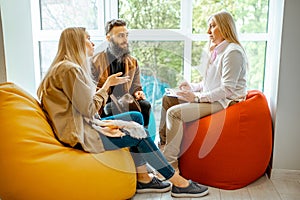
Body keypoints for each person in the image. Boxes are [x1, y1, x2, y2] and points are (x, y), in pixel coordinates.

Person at [37, 27, 209, 198]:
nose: (92, 43)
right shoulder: (70, 70)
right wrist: (106, 87)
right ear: (77, 43)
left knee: (136, 117)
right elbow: (89, 110)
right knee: (139, 134)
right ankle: (179, 183)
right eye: (88, 39)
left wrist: (116, 88)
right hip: (81, 134)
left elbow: (84, 107)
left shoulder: (64, 67)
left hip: (82, 125)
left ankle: (143, 178)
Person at [158, 11, 248, 173]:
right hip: (213, 97)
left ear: (225, 28)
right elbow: (209, 84)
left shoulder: (233, 52)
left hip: (224, 102)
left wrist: (197, 98)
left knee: (174, 113)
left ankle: (171, 167)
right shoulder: (217, 51)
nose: (208, 31)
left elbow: (227, 89)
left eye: (213, 26)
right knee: (168, 99)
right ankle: (164, 147)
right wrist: (191, 87)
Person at [91, 19, 151, 127]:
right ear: (108, 38)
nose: (125, 40)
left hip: (126, 102)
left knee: (145, 105)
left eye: (126, 35)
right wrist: (108, 84)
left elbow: (136, 88)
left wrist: (138, 93)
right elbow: (92, 93)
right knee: (109, 108)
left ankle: (140, 139)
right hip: (104, 104)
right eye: (120, 36)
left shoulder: (133, 62)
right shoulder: (95, 62)